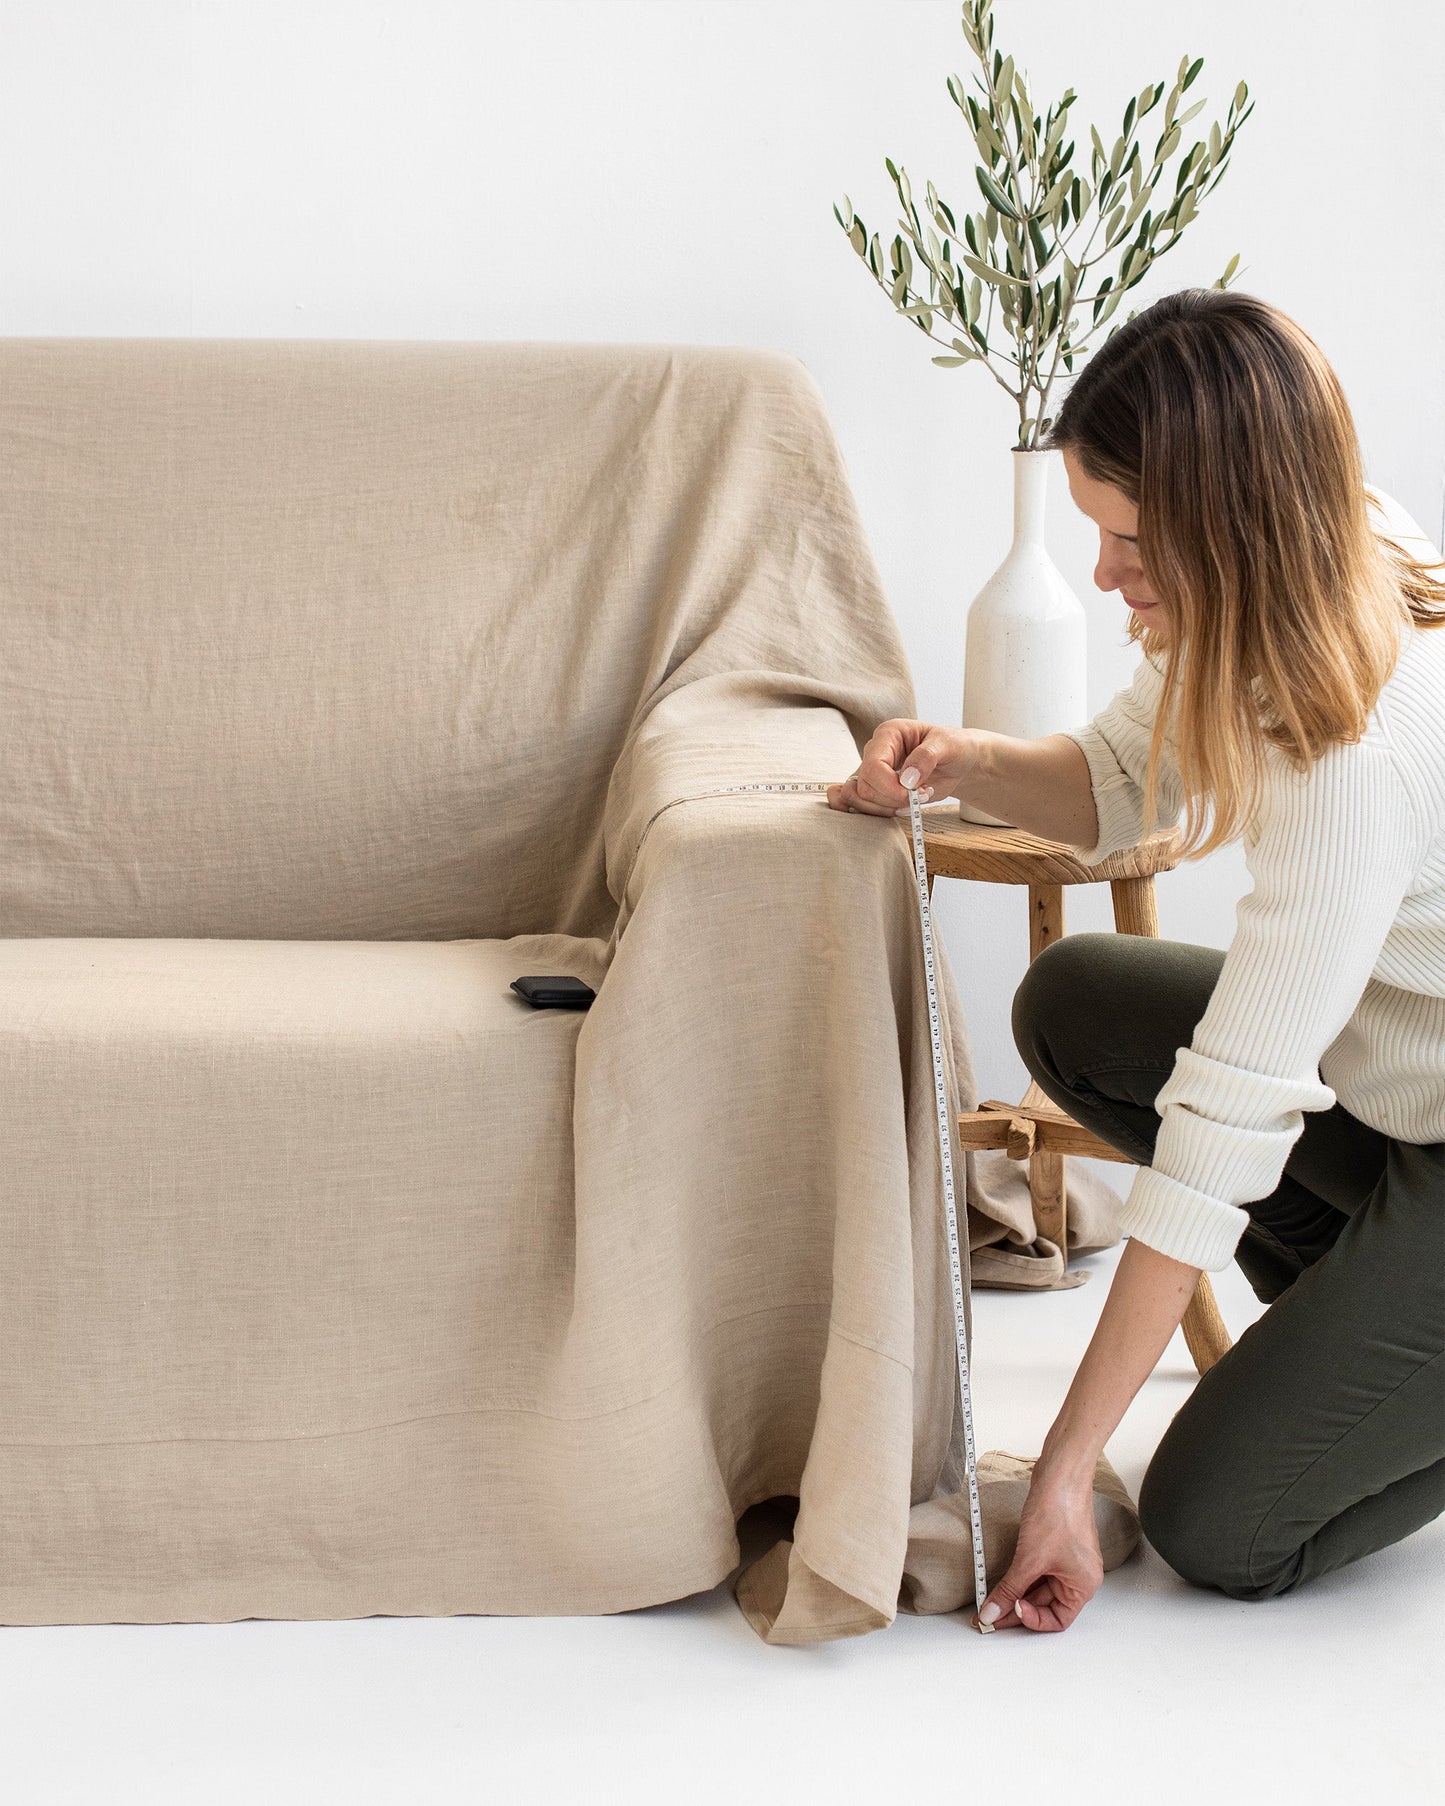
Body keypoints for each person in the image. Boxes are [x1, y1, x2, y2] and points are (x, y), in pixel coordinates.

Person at [827, 287, 1445, 1632]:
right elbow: (1118, 780)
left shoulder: (1358, 759)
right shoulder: (1311, 553)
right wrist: (957, 759)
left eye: (1125, 539)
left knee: (1210, 1523)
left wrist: (1059, 1471)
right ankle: (1386, 1340)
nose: (1102, 573)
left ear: (1232, 527)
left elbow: (1223, 1123)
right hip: (1402, 1099)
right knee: (1077, 1003)